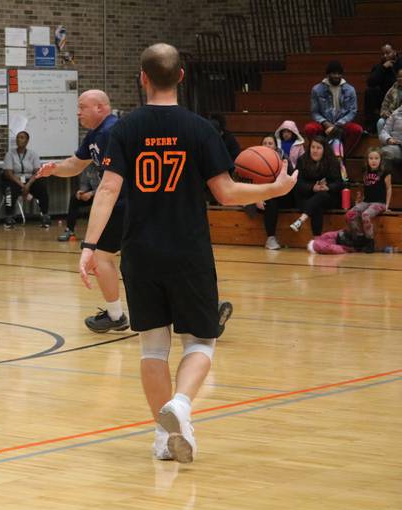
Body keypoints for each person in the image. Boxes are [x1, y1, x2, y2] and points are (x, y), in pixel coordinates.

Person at [78, 43, 296, 463]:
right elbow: (227, 193)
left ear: (142, 77)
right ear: (182, 76)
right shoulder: (200, 129)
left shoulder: (123, 129)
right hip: (188, 250)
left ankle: (162, 437)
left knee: (153, 349)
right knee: (201, 340)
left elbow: (107, 189)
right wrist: (275, 188)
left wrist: (89, 246)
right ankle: (180, 404)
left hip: (140, 252)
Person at [36, 90, 129, 334]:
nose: (77, 112)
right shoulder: (95, 134)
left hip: (126, 202)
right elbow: (76, 164)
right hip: (121, 204)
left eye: (82, 107)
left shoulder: (112, 131)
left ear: (100, 108)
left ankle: (117, 315)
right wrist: (54, 169)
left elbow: (112, 182)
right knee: (139, 257)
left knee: (100, 256)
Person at [256, 122, 305, 250]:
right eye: (265, 143)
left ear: (275, 146)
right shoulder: (254, 159)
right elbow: (250, 182)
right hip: (263, 197)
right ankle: (270, 238)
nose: (267, 146)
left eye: (270, 143)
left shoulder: (284, 158)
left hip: (284, 194)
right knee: (270, 201)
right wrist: (256, 199)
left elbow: (291, 179)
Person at [304, 60, 362, 159]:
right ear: (328, 74)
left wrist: (339, 124)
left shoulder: (350, 89)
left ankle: (342, 156)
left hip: (342, 122)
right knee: (310, 128)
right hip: (324, 122)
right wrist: (325, 123)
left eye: (339, 73)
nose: (336, 76)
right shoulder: (317, 89)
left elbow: (353, 111)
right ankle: (320, 154)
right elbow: (315, 112)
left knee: (357, 130)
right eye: (334, 73)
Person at [289, 136, 344, 236]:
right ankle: (316, 240)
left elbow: (339, 183)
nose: (315, 151)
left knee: (321, 196)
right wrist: (312, 188)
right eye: (313, 147)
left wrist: (328, 187)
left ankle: (302, 219)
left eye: (318, 148)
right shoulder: (302, 160)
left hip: (328, 196)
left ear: (324, 150)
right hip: (306, 196)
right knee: (317, 205)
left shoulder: (332, 162)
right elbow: (298, 183)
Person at [345, 147, 393, 252]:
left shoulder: (385, 172)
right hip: (366, 201)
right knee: (350, 214)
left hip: (379, 203)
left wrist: (387, 206)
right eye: (371, 158)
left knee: (365, 215)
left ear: (381, 160)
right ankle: (360, 237)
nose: (373, 161)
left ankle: (370, 241)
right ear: (367, 160)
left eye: (376, 158)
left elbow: (389, 189)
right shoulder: (365, 171)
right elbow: (366, 187)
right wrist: (360, 199)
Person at [1, 130, 50, 229]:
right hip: (15, 180)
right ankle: (9, 217)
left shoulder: (33, 154)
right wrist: (22, 185)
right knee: (9, 190)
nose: (19, 139)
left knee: (42, 187)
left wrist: (28, 185)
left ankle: (45, 215)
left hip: (29, 180)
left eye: (22, 137)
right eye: (18, 137)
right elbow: (9, 173)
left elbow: (37, 172)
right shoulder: (10, 154)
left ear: (27, 141)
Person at [365, 44, 402, 133]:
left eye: (388, 53)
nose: (385, 56)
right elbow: (371, 82)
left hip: (399, 94)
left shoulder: (400, 63)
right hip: (387, 98)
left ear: (394, 52)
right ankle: (371, 125)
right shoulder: (380, 67)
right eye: (383, 54)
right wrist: (383, 68)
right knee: (370, 92)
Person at [57, 165, 100, 242]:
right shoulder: (87, 165)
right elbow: (85, 183)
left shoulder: (104, 164)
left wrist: (91, 193)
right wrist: (82, 191)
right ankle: (69, 230)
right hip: (93, 193)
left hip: (107, 195)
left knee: (98, 204)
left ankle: (96, 235)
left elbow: (107, 187)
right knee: (74, 199)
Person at [377, 67, 402, 134]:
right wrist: (385, 114)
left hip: (400, 117)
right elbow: (384, 105)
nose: (400, 79)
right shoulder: (392, 90)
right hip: (391, 117)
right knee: (380, 122)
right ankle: (384, 143)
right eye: (399, 77)